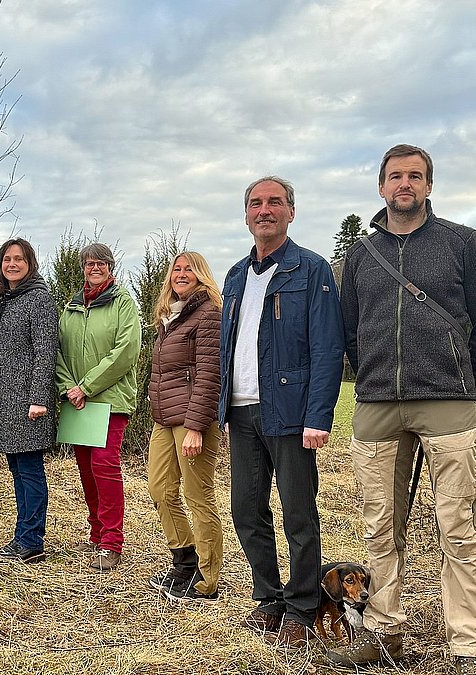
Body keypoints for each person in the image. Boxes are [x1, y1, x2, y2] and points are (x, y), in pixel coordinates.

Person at [329, 145, 476, 673]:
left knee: (457, 526)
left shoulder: (463, 244)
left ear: (430, 186)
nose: (405, 184)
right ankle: (383, 631)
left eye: (415, 176)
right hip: (376, 403)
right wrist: (369, 370)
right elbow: (349, 332)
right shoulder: (360, 258)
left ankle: (466, 642)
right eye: (395, 177)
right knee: (378, 526)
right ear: (381, 187)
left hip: (448, 400)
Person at [219, 176, 344, 648]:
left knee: (297, 511)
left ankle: (303, 605)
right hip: (242, 411)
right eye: (255, 203)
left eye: (274, 202)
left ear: (291, 211)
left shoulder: (311, 270)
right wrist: (221, 407)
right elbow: (227, 348)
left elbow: (328, 347)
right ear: (246, 214)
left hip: (290, 412)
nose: (264, 210)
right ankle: (269, 598)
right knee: (246, 510)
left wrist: (318, 415)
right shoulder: (234, 276)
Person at [0, 238, 58, 564]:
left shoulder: (39, 301)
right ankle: (22, 537)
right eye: (7, 259)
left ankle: (31, 541)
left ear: (30, 263)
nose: (11, 264)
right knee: (18, 471)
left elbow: (45, 353)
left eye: (18, 259)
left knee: (30, 471)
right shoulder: (2, 301)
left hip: (27, 404)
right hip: (2, 403)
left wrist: (38, 399)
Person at [56, 243, 140, 571]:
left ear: (110, 266)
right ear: (83, 268)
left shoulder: (124, 303)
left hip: (110, 400)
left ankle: (112, 542)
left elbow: (126, 351)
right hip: (77, 402)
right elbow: (58, 351)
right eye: (89, 263)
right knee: (86, 470)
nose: (94, 268)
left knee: (105, 467)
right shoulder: (71, 307)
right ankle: (96, 533)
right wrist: (68, 387)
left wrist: (87, 386)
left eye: (100, 263)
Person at [147, 251, 223, 599]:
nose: (181, 274)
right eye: (176, 269)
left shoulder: (207, 314)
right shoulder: (170, 318)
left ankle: (206, 580)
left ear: (201, 275)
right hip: (164, 419)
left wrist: (195, 426)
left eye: (188, 269)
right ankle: (184, 560)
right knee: (160, 490)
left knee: (198, 496)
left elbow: (209, 374)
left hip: (193, 421)